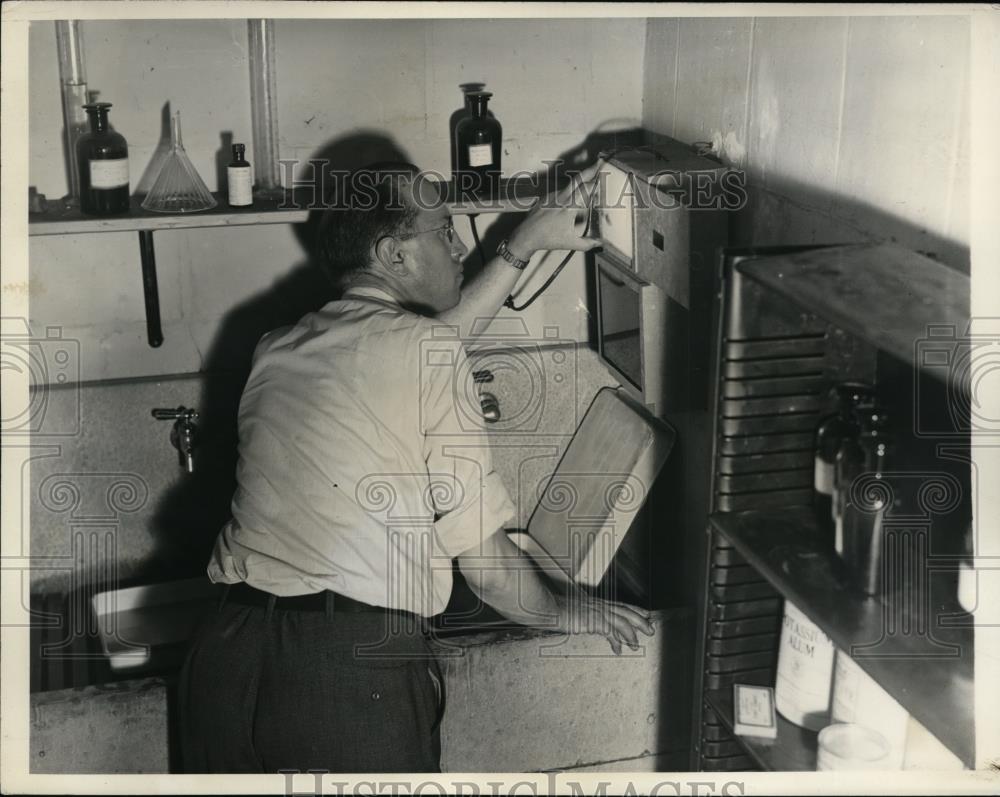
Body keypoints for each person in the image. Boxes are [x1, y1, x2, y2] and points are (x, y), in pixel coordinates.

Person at [177, 161, 654, 773]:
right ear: (393, 255)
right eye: (443, 229)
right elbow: (489, 572)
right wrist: (572, 611)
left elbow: (423, 345)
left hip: (222, 659)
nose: (458, 245)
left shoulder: (280, 345)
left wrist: (525, 243)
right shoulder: (426, 353)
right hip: (346, 674)